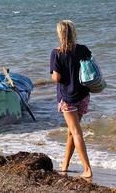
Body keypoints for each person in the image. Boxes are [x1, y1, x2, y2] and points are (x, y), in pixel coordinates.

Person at [50, 20, 93, 178]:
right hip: (83, 95)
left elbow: (56, 78)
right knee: (71, 132)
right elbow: (90, 68)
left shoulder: (57, 52)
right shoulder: (83, 49)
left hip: (67, 98)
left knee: (75, 132)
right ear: (73, 32)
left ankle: (87, 169)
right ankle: (65, 164)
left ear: (60, 33)